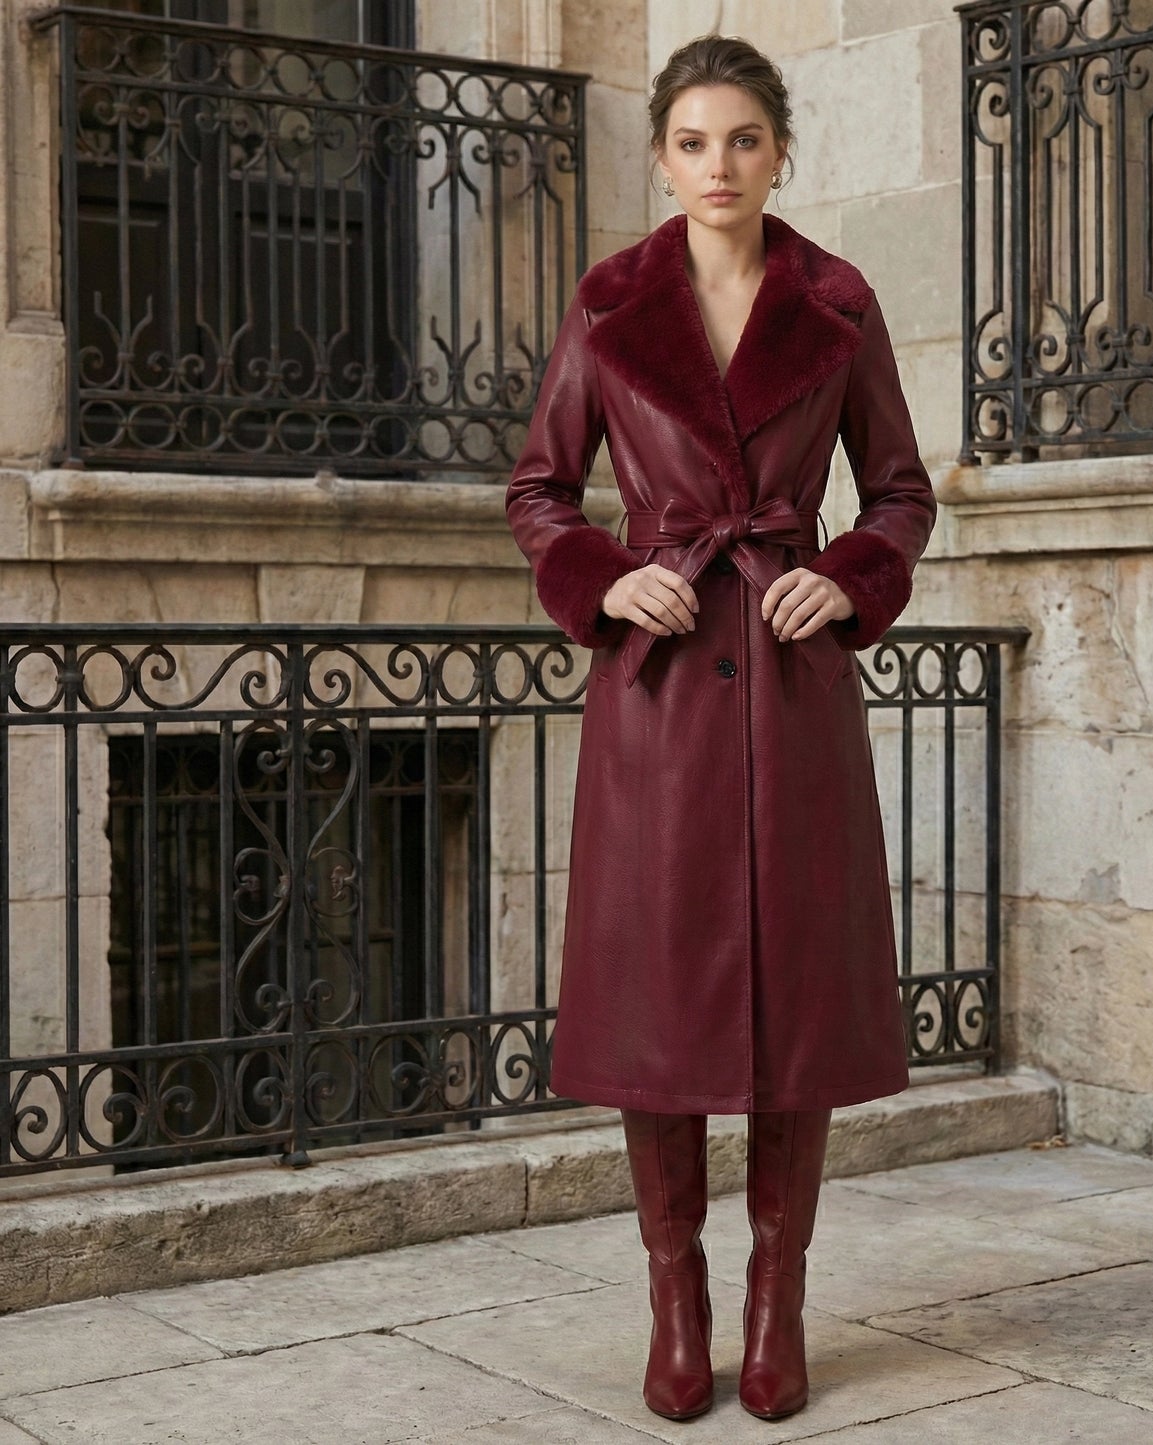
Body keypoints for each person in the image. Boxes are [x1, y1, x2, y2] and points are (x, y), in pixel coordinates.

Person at [504, 33, 937, 1422]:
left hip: (797, 685)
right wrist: (602, 576)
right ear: (663, 156)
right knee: (660, 998)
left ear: (779, 151)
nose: (717, 166)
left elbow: (901, 494)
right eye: (692, 142)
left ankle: (777, 1300)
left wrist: (847, 574)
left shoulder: (838, 301)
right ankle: (675, 1301)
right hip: (658, 692)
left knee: (795, 1006)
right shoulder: (608, 302)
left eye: (741, 140)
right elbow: (538, 492)